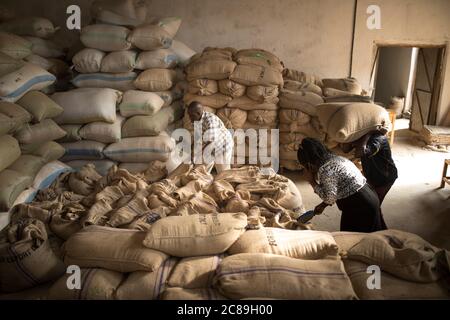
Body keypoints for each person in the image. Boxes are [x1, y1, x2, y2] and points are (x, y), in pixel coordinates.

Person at [297, 138, 386, 232]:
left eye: (304, 167)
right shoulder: (335, 158)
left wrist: (312, 181)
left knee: (353, 239)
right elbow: (336, 190)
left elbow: (329, 198)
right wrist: (323, 205)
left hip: (361, 206)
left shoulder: (326, 170)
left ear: (309, 165)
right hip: (368, 196)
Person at [340, 129, 398, 205]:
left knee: (373, 204)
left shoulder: (379, 139)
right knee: (371, 204)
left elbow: (359, 153)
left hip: (384, 177)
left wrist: (367, 135)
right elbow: (345, 150)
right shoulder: (361, 138)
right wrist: (348, 138)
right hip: (372, 176)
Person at [188, 101, 233, 173]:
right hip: (210, 145)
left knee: (223, 173)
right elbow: (197, 138)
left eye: (192, 116)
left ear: (198, 113)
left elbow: (211, 142)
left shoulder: (210, 120)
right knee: (200, 171)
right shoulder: (196, 121)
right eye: (189, 115)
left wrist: (198, 154)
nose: (190, 118)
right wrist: (191, 152)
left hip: (223, 144)